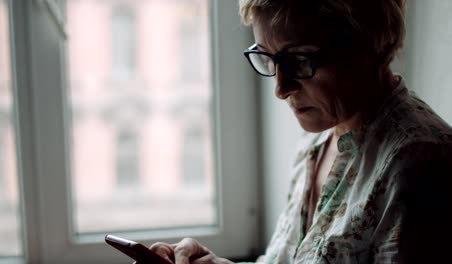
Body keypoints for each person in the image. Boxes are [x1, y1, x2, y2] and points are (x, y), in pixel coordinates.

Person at [143, 0, 452, 263]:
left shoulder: (421, 166)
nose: (280, 88)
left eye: (299, 59)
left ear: (369, 40)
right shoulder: (315, 142)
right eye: (268, 57)